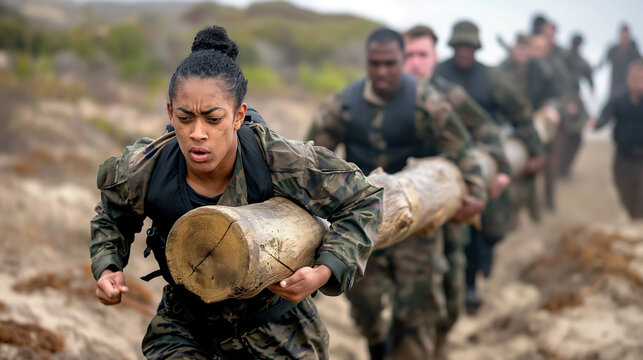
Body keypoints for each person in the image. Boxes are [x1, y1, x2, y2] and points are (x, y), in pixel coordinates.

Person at [90, 25, 383, 359]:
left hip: (276, 331)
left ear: (238, 116)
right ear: (170, 113)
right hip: (185, 326)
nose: (197, 133)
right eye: (185, 118)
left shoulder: (278, 159)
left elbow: (364, 200)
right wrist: (108, 267)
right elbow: (112, 215)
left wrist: (323, 272)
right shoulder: (147, 166)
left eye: (213, 119)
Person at [307, 28, 487, 360]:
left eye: (390, 63)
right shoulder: (344, 103)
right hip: (361, 225)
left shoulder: (426, 101)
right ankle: (378, 346)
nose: (382, 71)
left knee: (417, 308)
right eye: (375, 63)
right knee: (367, 307)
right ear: (366, 62)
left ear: (402, 61)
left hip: (417, 222)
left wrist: (476, 191)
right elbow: (312, 159)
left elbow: (461, 147)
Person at [403, 24, 511, 357]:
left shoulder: (450, 96)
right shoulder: (382, 96)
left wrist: (497, 168)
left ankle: (440, 343)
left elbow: (487, 132)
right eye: (408, 55)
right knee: (397, 308)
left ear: (435, 56)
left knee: (451, 298)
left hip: (448, 207)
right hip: (399, 210)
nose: (415, 63)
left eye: (422, 55)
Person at [435, 20, 544, 315]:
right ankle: (467, 287)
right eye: (459, 46)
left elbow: (520, 111)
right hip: (447, 162)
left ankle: (481, 265)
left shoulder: (491, 78)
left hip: (488, 158)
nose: (463, 52)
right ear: (452, 46)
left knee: (492, 229)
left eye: (468, 46)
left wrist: (534, 148)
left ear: (476, 48)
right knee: (461, 233)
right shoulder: (438, 75)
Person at [592, 59, 643, 218]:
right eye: (635, 79)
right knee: (624, 194)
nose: (638, 83)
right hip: (623, 157)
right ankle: (633, 218)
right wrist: (594, 124)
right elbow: (604, 117)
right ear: (628, 78)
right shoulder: (618, 98)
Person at [600, 24, 641, 99]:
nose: (624, 36)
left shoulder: (633, 51)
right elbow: (602, 63)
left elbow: (640, 64)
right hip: (615, 85)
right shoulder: (613, 50)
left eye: (625, 34)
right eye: (622, 34)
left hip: (629, 86)